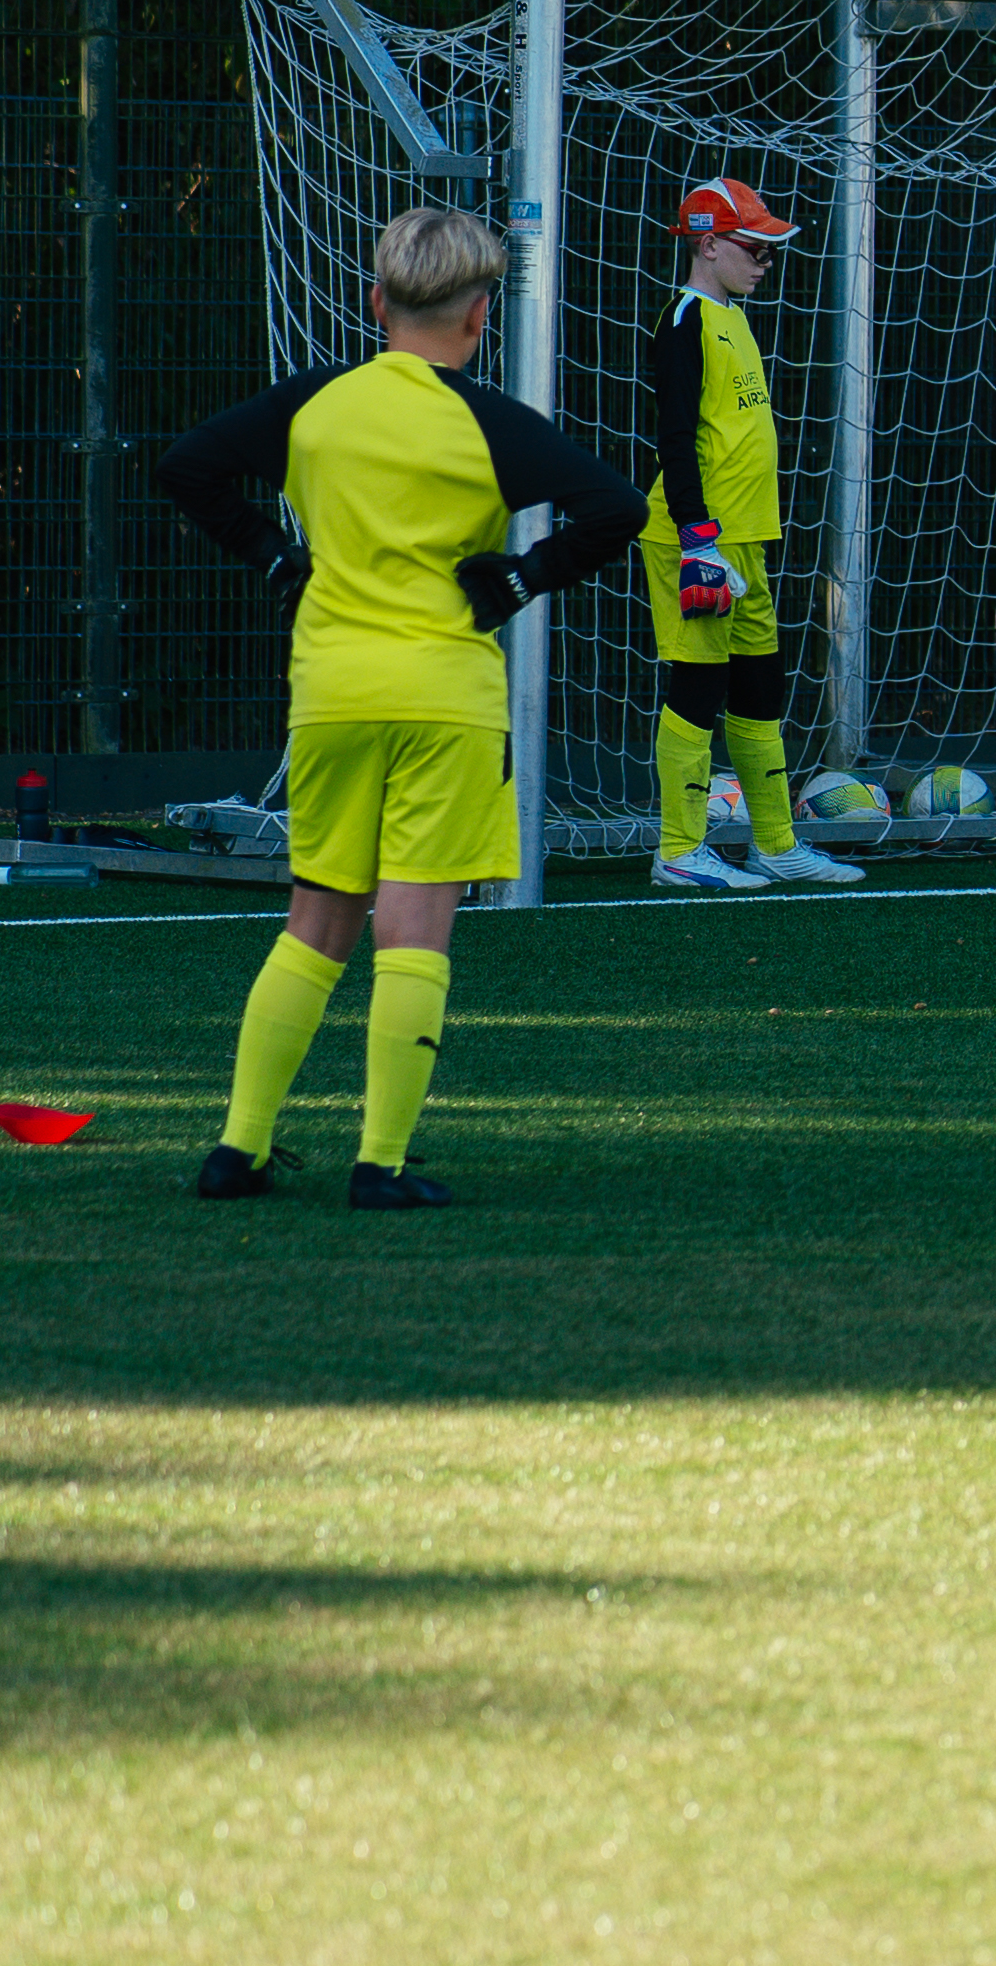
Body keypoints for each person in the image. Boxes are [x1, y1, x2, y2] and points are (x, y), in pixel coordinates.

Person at [152, 204, 649, 1208]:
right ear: (479, 314)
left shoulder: (315, 403)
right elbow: (619, 508)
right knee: (413, 931)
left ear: (377, 301)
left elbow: (185, 468)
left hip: (332, 693)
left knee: (313, 924)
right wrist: (522, 578)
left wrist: (272, 554)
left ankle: (237, 1150)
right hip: (445, 698)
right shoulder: (490, 422)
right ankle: (378, 1163)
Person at [638, 176, 857, 893]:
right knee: (696, 690)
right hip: (697, 540)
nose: (766, 262)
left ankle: (777, 845)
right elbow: (675, 438)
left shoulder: (732, 316)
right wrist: (697, 541)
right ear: (708, 245)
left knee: (760, 689)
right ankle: (679, 849)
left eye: (769, 250)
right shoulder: (685, 320)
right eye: (754, 248)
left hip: (746, 541)